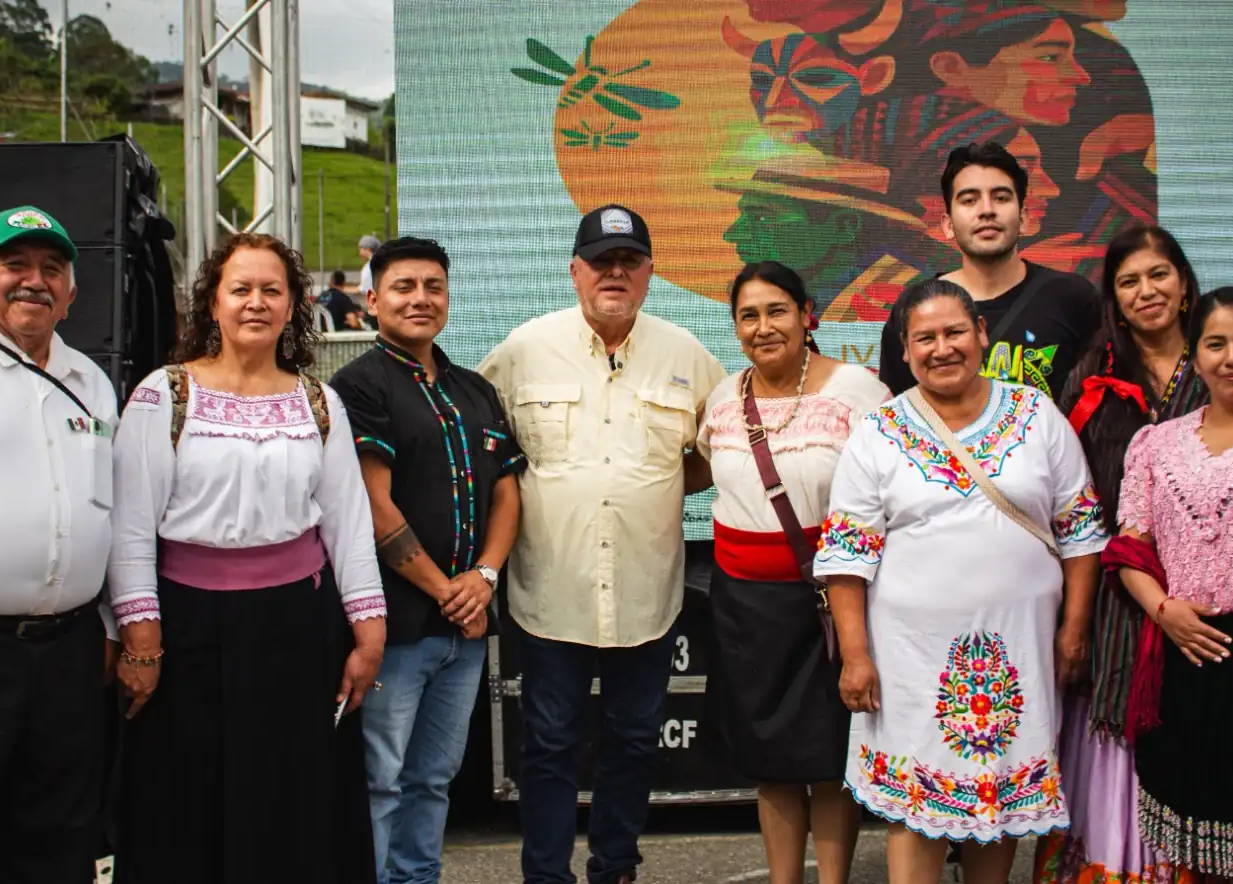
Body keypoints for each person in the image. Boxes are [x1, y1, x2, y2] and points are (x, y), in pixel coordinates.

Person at [107, 232, 388, 884]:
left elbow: (347, 523)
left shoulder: (318, 403)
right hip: (188, 629)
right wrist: (141, 638)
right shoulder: (163, 395)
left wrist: (369, 628)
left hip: (297, 630)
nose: (255, 303)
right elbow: (129, 527)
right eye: (241, 289)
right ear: (213, 303)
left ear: (293, 307)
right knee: (185, 803)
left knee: (289, 802)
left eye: (272, 290)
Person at [818, 279, 1107, 884]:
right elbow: (847, 556)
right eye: (925, 337)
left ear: (980, 335)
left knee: (999, 800)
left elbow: (1080, 530)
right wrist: (854, 656)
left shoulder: (1036, 416)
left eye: (954, 332)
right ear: (905, 348)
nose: (941, 348)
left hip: (1021, 652)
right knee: (918, 810)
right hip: (911, 661)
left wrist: (1075, 629)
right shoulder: (880, 431)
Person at [479, 204, 727, 884]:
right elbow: (482, 450)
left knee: (633, 742)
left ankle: (615, 866)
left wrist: (661, 487)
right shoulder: (523, 350)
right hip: (550, 593)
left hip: (648, 596)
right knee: (550, 746)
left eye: (630, 261)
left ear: (650, 272)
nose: (615, 273)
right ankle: (547, 876)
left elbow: (715, 450)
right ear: (575, 271)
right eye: (601, 261)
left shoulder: (687, 355)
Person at [331, 237, 523, 884]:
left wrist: (486, 576)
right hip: (395, 628)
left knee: (433, 780)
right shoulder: (357, 387)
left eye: (433, 286)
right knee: (380, 780)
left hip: (464, 630)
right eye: (404, 286)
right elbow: (372, 503)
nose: (421, 298)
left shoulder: (475, 389)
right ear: (372, 299)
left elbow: (506, 489)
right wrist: (448, 589)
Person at [696, 261, 887, 884]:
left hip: (831, 603)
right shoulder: (724, 397)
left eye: (776, 311)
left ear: (808, 316)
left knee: (828, 755)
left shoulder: (858, 390)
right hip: (744, 607)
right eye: (747, 315)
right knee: (770, 758)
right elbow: (709, 472)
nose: (763, 327)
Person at [0, 206, 119, 884]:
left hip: (69, 654)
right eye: (15, 266)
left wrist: (111, 626)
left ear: (73, 293)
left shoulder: (93, 383)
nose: (34, 282)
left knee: (57, 832)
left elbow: (108, 509)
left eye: (51, 270)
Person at [1112, 286, 1233, 883]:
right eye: (1215, 344)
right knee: (1204, 846)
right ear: (1194, 357)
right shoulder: (1157, 442)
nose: (1232, 358)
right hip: (1188, 655)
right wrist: (1163, 609)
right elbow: (1128, 549)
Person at [1033, 225, 1207, 884]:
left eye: (1158, 274)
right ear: (1114, 298)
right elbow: (1067, 503)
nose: (1146, 292)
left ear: (1184, 282)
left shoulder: (1224, 361)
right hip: (1116, 606)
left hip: (1211, 595)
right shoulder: (1091, 380)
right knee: (1117, 744)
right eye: (1129, 281)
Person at [878, 141, 1101, 401]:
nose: (986, 211)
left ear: (1024, 218)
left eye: (1001, 198)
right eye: (970, 200)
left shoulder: (1072, 298)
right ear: (948, 225)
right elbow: (900, 414)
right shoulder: (916, 307)